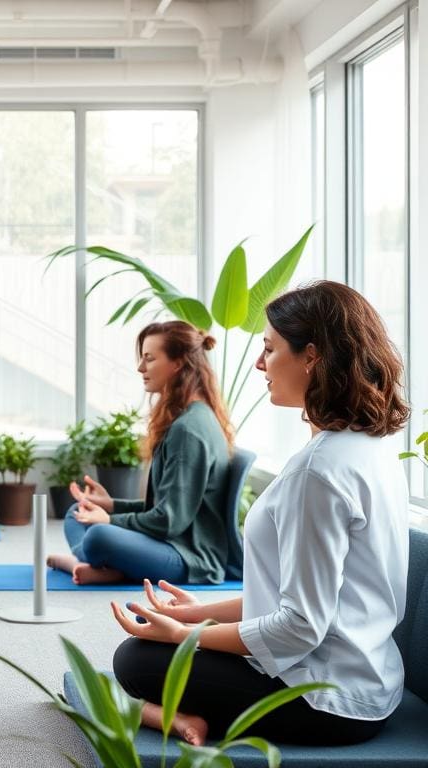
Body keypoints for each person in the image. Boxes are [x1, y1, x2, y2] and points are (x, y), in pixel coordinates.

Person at [111, 281, 410, 747]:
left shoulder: (320, 472)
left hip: (328, 700)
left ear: (310, 357)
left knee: (135, 660)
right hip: (368, 682)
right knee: (147, 652)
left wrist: (183, 637)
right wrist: (197, 615)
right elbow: (299, 599)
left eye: (269, 349)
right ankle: (176, 713)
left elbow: (299, 627)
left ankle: (175, 714)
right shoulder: (368, 447)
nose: (258, 363)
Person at [48, 320, 233, 585]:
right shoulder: (189, 418)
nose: (140, 368)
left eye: (149, 359)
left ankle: (83, 563)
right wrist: (110, 505)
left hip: (188, 557)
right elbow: (165, 506)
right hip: (170, 542)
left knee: (100, 535)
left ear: (178, 363)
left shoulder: (188, 430)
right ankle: (108, 567)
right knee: (77, 511)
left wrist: (109, 519)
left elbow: (169, 521)